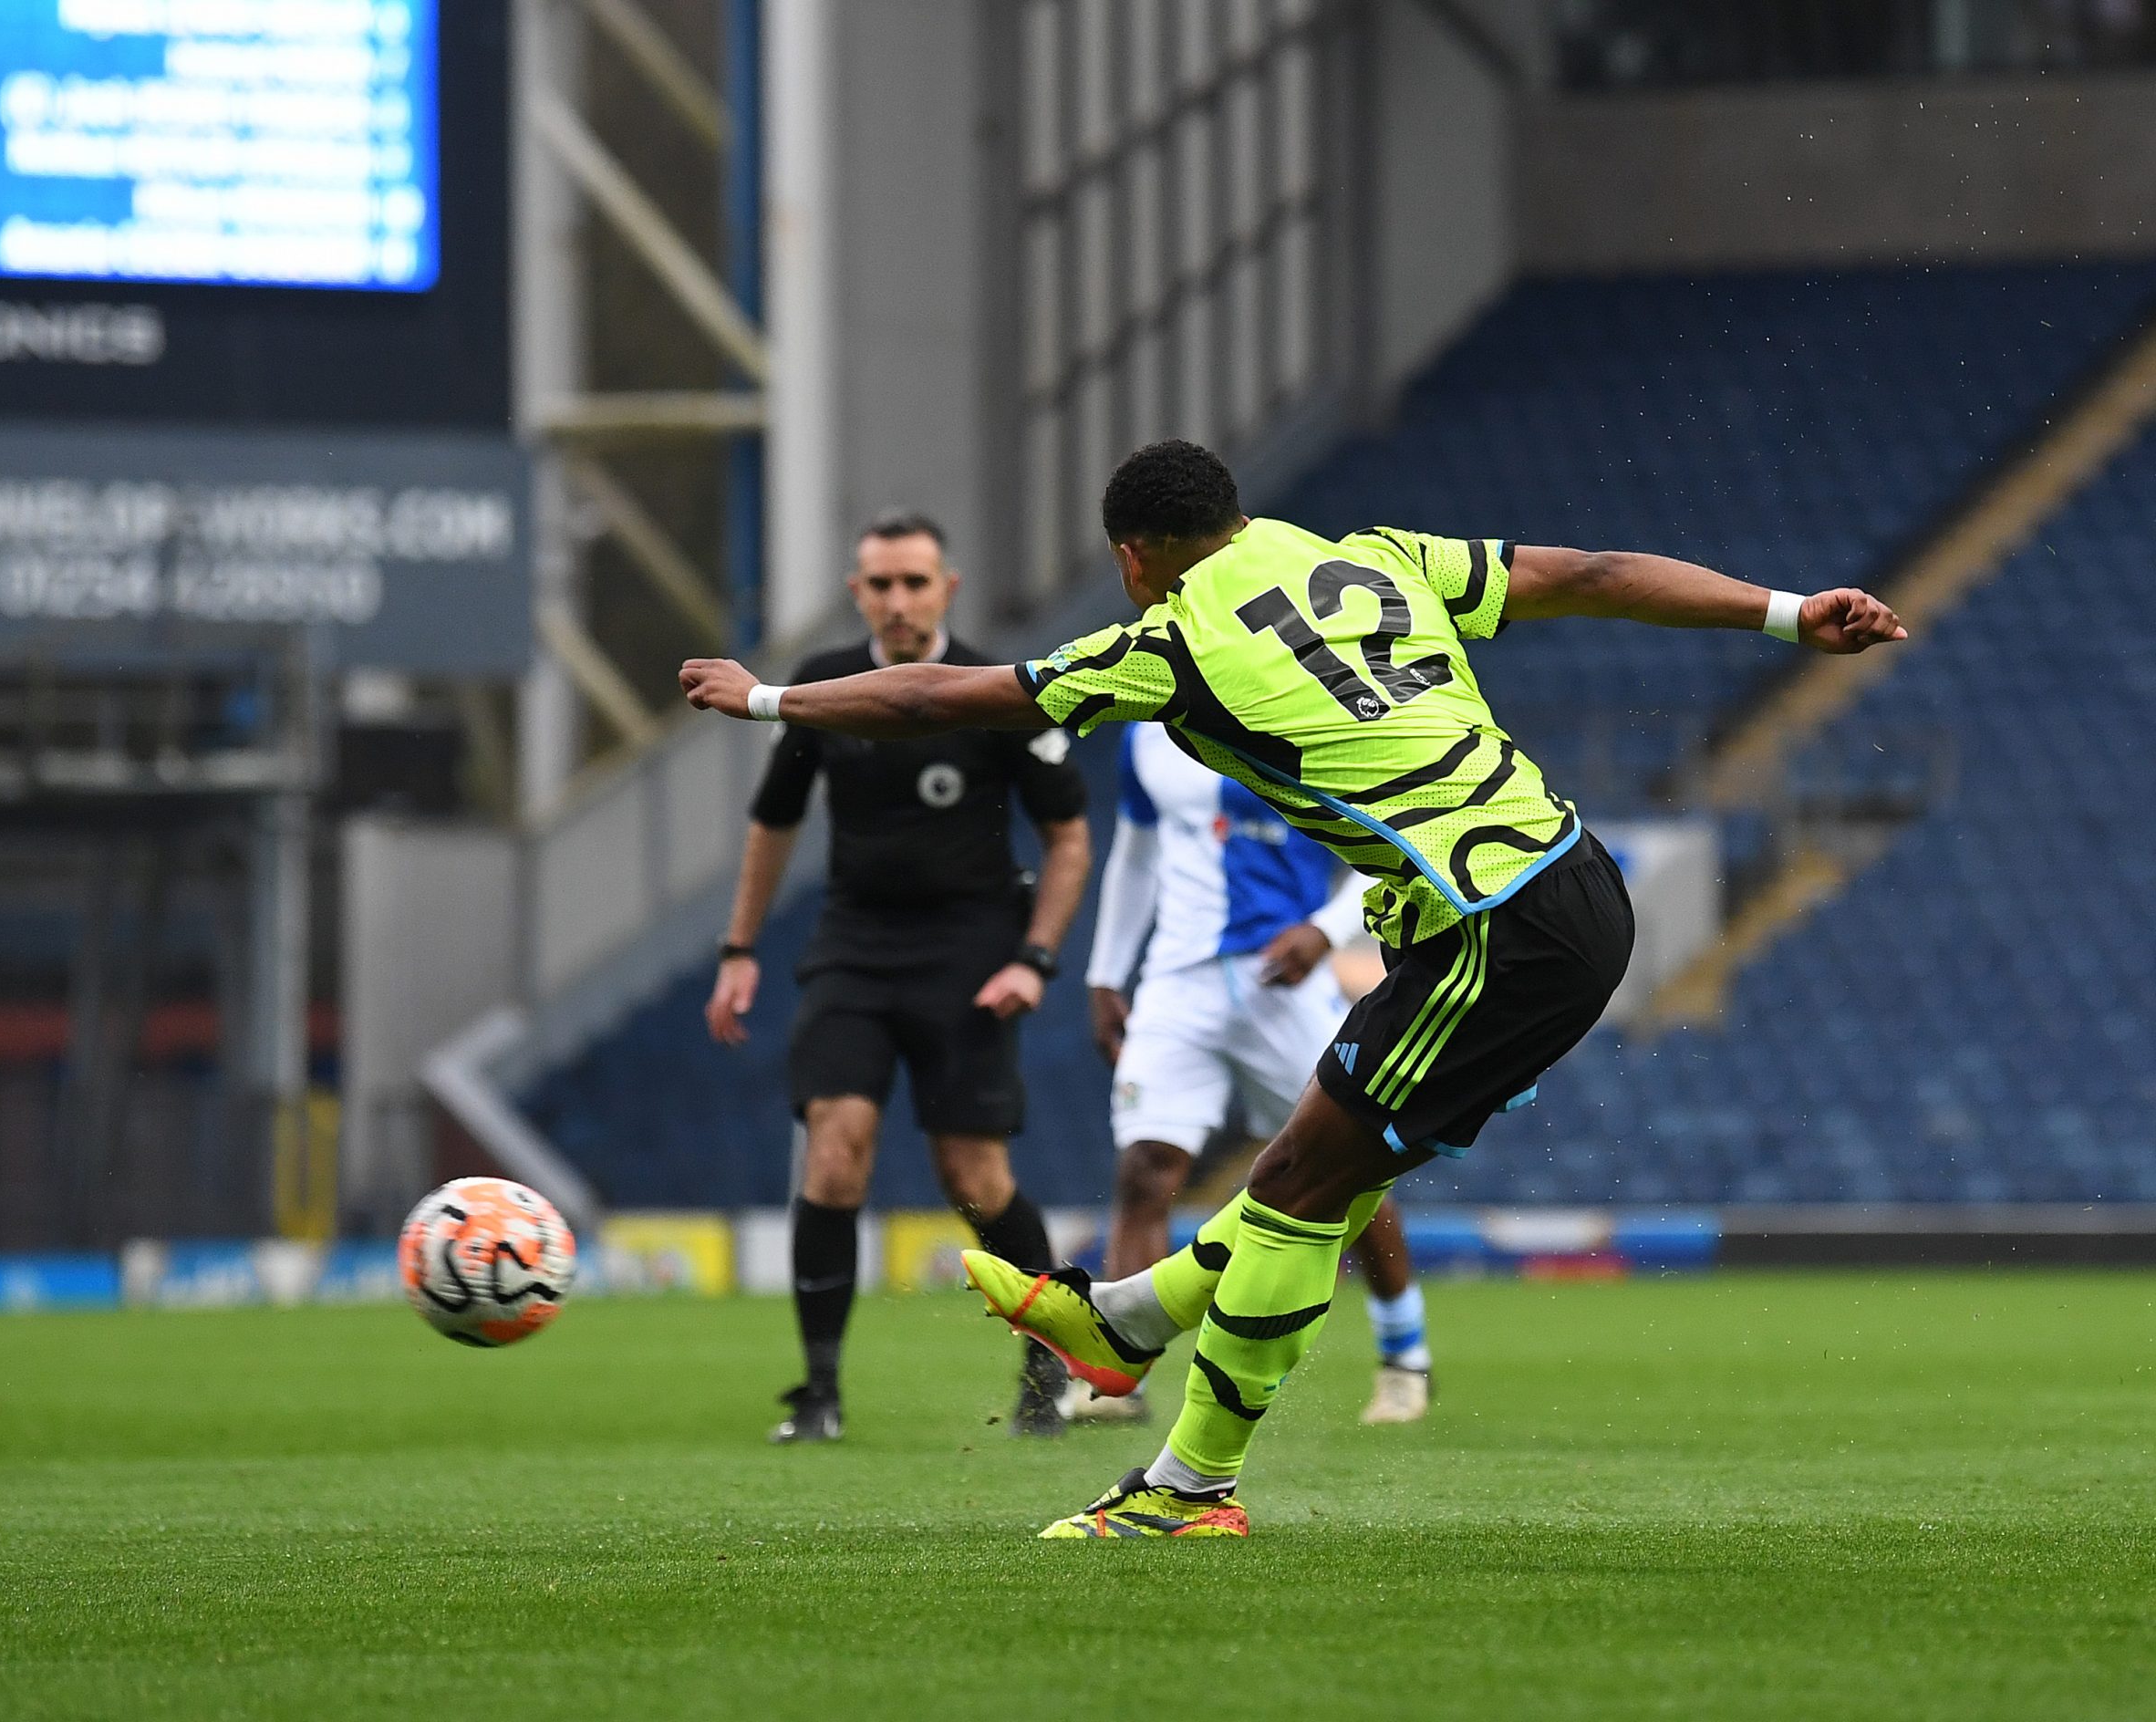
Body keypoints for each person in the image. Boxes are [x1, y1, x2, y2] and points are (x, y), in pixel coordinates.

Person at [681, 440, 1905, 1533]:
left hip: (1499, 925)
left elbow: (941, 695)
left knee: (1303, 1191)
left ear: (1133, 558)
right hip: (1550, 879)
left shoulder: (1170, 644)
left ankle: (1185, 1487)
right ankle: (1122, 1325)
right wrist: (1788, 613)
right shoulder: (1376, 558)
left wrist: (769, 698)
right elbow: (1591, 571)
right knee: (1307, 1175)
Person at [704, 511, 1094, 1444]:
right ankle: (819, 1392)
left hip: (971, 956)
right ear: (857, 593)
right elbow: (773, 821)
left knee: (975, 1176)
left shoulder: (995, 688)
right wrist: (738, 948)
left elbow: (1069, 837)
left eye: (915, 581)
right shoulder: (822, 687)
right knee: (835, 1151)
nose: (898, 600)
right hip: (855, 949)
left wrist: (1034, 958)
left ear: (947, 588)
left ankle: (1050, 1362)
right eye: (880, 583)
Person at [1079, 718, 1435, 1426]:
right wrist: (1105, 972)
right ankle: (1119, 1379)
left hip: (1286, 982)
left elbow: (1390, 842)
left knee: (1349, 1170)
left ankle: (1405, 1359)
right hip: (1177, 982)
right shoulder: (1145, 730)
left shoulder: (1297, 711)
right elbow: (1136, 854)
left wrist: (1327, 931)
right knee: (1145, 1170)